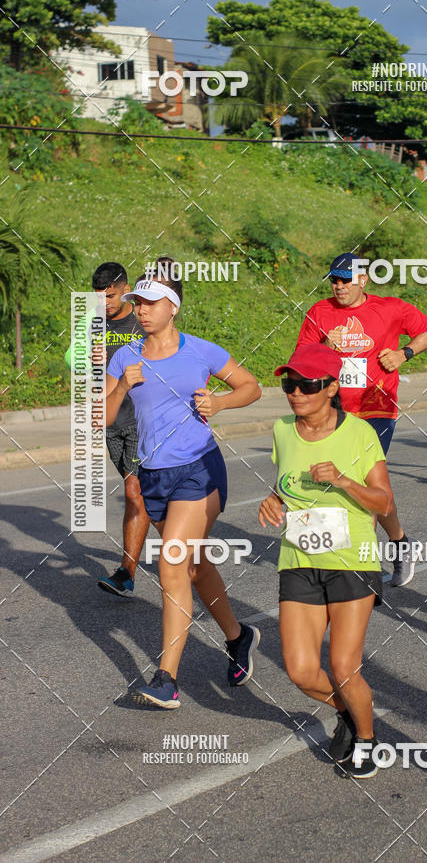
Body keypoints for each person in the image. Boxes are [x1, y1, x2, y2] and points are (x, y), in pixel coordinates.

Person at [105, 268, 261, 708]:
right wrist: (123, 386)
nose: (141, 310)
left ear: (173, 307)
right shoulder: (126, 357)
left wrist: (221, 401)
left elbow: (251, 386)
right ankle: (239, 635)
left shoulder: (201, 351)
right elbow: (102, 415)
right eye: (138, 303)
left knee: (172, 562)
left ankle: (166, 678)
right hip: (154, 474)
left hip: (199, 470)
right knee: (193, 565)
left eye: (151, 303)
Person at [259, 344, 394, 778]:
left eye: (306, 385)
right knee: (300, 671)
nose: (294, 393)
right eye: (288, 384)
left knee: (342, 666)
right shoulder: (282, 430)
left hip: (352, 560)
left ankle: (368, 741)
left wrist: (342, 479)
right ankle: (352, 714)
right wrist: (272, 500)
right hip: (298, 558)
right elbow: (285, 484)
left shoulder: (359, 434)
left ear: (332, 387)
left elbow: (384, 502)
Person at [296, 252, 427, 587]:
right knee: (358, 487)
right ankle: (402, 543)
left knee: (355, 481)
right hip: (333, 412)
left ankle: (361, 567)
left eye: (346, 279)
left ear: (363, 279)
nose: (339, 285)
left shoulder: (391, 308)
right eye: (334, 279)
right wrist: (324, 348)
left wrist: (403, 354)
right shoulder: (320, 312)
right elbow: (299, 359)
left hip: (376, 410)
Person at [65, 261, 149, 597]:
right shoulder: (94, 321)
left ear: (124, 289)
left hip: (145, 420)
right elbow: (72, 357)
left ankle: (127, 571)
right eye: (99, 296)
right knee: (140, 494)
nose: (104, 303)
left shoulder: (142, 317)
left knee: (134, 491)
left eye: (110, 295)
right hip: (112, 420)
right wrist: (90, 357)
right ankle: (181, 537)